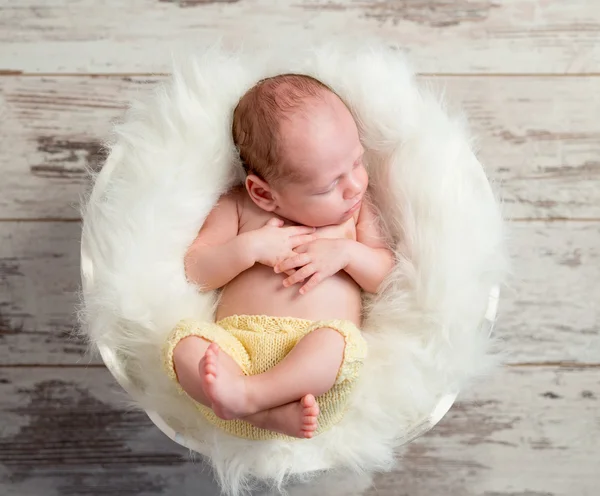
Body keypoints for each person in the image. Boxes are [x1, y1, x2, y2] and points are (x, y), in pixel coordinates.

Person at [163, 74, 395, 440]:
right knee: (184, 343)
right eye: (330, 184)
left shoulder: (355, 215)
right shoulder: (238, 207)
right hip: (230, 362)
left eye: (357, 162)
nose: (354, 185)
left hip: (311, 383)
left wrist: (348, 253)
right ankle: (257, 409)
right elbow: (196, 271)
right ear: (264, 194)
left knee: (338, 341)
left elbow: (386, 276)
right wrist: (248, 248)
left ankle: (255, 397)